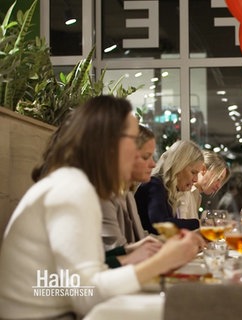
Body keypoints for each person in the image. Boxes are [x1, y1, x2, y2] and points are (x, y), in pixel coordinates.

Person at [0, 96, 205, 319]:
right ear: (108, 143)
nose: (140, 155)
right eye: (132, 139)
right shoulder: (72, 190)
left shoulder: (74, 184)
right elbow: (86, 295)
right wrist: (164, 260)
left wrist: (130, 253)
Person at [101, 124, 162, 268]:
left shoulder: (127, 192)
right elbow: (116, 253)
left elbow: (138, 241)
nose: (153, 164)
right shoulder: (103, 196)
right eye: (146, 157)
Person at [135, 139, 204, 234]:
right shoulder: (154, 184)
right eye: (193, 172)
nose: (195, 179)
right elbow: (160, 225)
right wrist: (199, 223)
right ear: (178, 165)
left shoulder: (168, 189)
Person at [178, 150, 231, 219]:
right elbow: (181, 226)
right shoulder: (185, 192)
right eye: (218, 179)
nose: (219, 186)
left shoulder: (197, 195)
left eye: (221, 182)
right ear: (203, 170)